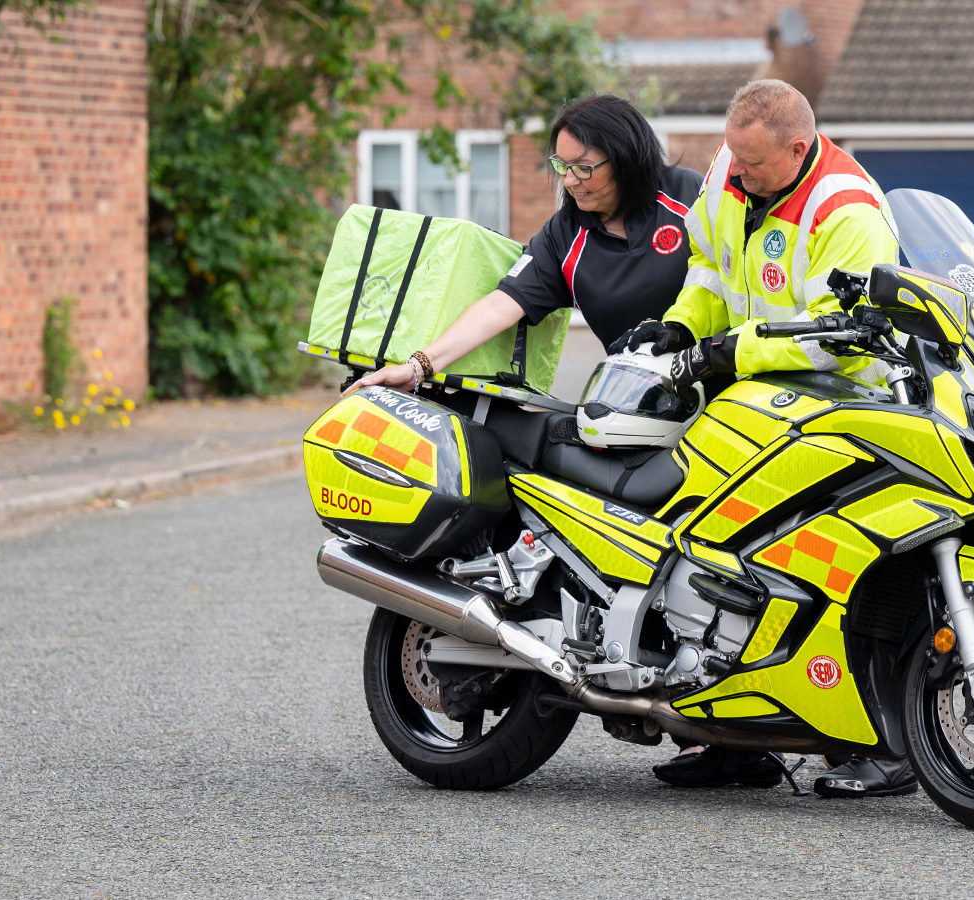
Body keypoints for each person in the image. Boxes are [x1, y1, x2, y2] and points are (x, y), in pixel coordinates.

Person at [611, 79, 916, 799]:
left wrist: (730, 351)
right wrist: (685, 323)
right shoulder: (730, 171)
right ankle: (729, 738)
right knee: (719, 560)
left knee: (832, 573)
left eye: (753, 166)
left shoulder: (849, 214)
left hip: (841, 409)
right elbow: (711, 267)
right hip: (754, 400)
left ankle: (879, 743)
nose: (736, 175)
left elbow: (835, 339)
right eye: (733, 159)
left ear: (799, 149)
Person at [350, 94, 702, 395]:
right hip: (644, 400)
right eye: (562, 166)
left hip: (727, 384)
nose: (568, 180)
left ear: (624, 159)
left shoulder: (687, 196)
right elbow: (499, 307)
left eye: (583, 167)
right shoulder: (564, 236)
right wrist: (417, 366)